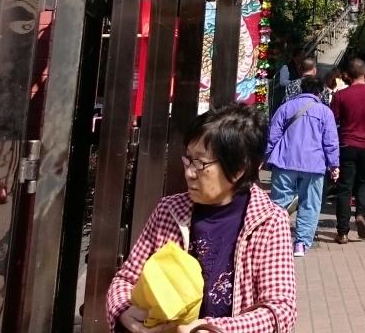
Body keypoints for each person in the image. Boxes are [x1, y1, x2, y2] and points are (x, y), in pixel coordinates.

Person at [107, 105, 295, 331]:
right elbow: (126, 279)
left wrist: (211, 329)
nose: (189, 172)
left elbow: (280, 310)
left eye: (200, 163)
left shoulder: (269, 221)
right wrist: (123, 311)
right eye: (188, 159)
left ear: (239, 168)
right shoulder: (169, 210)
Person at [265, 75, 340, 256]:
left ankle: (275, 240)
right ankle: (301, 243)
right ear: (320, 92)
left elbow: (272, 135)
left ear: (301, 89)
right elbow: (330, 141)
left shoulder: (285, 107)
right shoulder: (325, 112)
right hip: (314, 163)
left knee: (279, 202)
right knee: (310, 204)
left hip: (284, 160)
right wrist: (334, 165)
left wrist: (265, 156)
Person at [329, 58, 365, 243]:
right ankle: (361, 213)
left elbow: (334, 118)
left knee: (344, 187)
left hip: (347, 143)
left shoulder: (341, 95)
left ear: (348, 74)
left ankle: (342, 232)